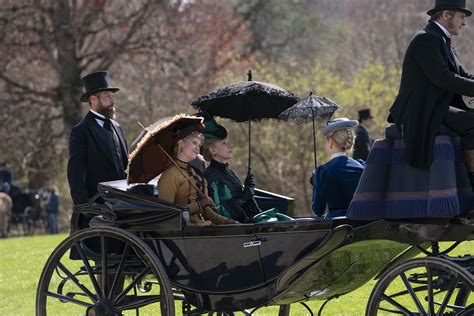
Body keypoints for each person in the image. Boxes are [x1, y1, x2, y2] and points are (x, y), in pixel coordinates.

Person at [388, 0, 474, 187]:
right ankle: (470, 187)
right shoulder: (425, 39)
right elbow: (443, 78)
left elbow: (462, 75)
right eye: (461, 17)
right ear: (446, 15)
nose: (464, 23)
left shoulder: (443, 40)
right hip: (420, 109)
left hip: (436, 106)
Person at [67, 71, 128, 228]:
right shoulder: (81, 131)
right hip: (97, 211)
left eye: (112, 96)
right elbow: (75, 172)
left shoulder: (118, 128)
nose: (113, 101)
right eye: (107, 96)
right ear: (93, 99)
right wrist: (85, 207)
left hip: (123, 208)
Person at [157, 126, 236, 226]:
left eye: (199, 145)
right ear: (181, 143)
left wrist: (226, 222)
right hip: (185, 232)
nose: (197, 149)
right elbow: (167, 214)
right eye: (194, 143)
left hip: (204, 227)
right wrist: (199, 204)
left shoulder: (196, 174)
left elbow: (206, 212)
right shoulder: (170, 175)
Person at [201, 118, 261, 223]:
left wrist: (249, 190)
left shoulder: (230, 172)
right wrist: (244, 197)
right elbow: (218, 210)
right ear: (212, 150)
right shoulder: (209, 176)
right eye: (224, 143)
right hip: (232, 231)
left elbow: (244, 204)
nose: (230, 146)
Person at [311, 118, 365, 219]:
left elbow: (318, 210)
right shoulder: (361, 167)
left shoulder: (324, 171)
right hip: (360, 224)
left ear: (330, 141)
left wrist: (315, 182)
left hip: (336, 228)